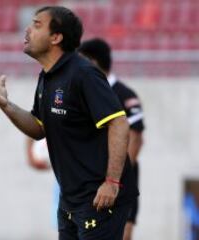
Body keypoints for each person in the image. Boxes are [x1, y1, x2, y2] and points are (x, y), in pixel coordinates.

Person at [0, 6, 138, 240]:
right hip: (70, 200)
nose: (27, 30)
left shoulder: (84, 74)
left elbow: (119, 124)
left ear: (56, 37)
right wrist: (7, 106)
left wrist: (112, 182)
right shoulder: (47, 76)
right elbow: (38, 128)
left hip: (101, 197)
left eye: (36, 25)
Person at [78, 38, 145, 240]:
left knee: (123, 234)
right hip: (87, 181)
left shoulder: (124, 95)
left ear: (93, 62)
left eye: (81, 61)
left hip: (119, 182)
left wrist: (115, 178)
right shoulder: (82, 92)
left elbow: (136, 138)